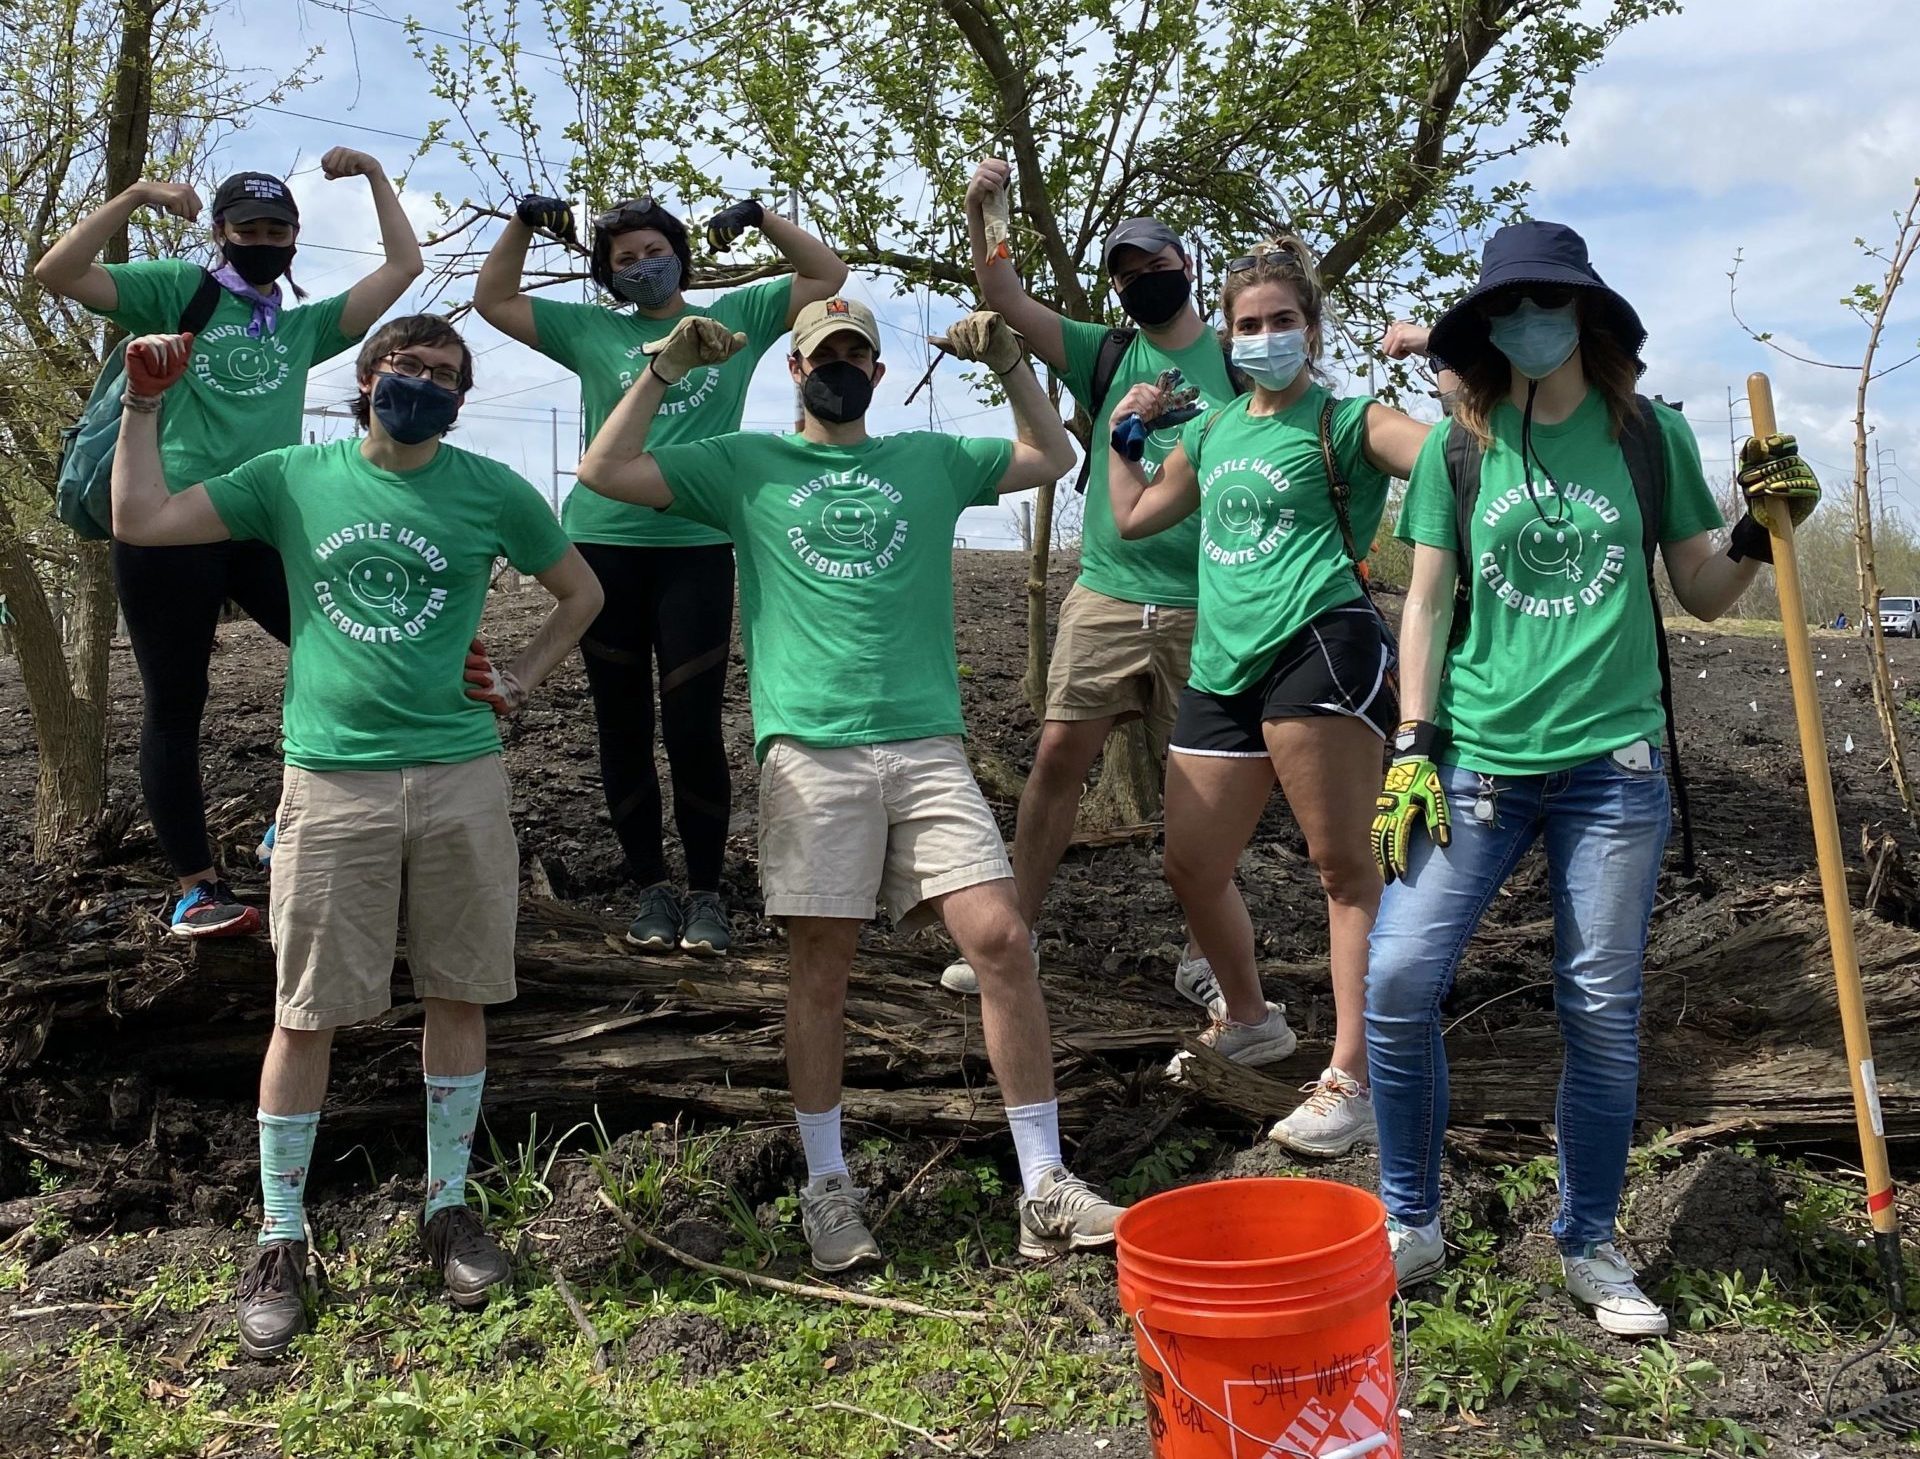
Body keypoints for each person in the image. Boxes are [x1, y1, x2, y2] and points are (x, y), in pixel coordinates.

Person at [574, 297, 1124, 1271]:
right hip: (811, 748)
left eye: (855, 355)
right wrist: (660, 370)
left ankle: (1043, 1183)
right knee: (821, 966)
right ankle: (828, 1187)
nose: (839, 367)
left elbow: (1051, 458)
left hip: (926, 741)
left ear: (876, 372)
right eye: (822, 355)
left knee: (999, 935)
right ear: (794, 371)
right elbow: (604, 471)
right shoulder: (744, 465)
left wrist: (1008, 366)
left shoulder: (928, 459)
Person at [108, 315, 604, 1359]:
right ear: (368, 379)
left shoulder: (491, 489)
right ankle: (282, 1236)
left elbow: (582, 591)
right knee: (307, 1009)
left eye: (445, 375)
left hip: (463, 772)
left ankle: (448, 1207)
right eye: (407, 368)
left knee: (458, 991)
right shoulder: (292, 475)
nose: (423, 384)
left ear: (462, 400)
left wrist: (521, 678)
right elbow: (143, 518)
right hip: (330, 782)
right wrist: (143, 404)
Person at [1362, 222, 1820, 1335]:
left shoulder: (1647, 437)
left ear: (1584, 314)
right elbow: (1424, 600)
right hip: (1474, 764)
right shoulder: (1456, 446)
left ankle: (1591, 1241)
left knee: (1602, 1011)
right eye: (1507, 309)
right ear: (1486, 328)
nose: (1527, 323)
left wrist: (1763, 534)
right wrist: (1413, 741)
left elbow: (1702, 592)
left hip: (1614, 772)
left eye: (1546, 304)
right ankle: (1409, 1219)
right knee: (1396, 980)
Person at [34, 154, 423, 936]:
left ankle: (291, 821)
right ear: (221, 233)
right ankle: (196, 888)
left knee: (343, 652)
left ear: (295, 238)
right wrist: (140, 193)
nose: (263, 239)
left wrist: (378, 175)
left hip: (261, 528)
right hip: (167, 524)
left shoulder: (301, 326)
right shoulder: (181, 291)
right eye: (248, 227)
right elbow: (58, 270)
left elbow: (404, 265)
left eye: (276, 228)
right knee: (176, 705)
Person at [1103, 242, 1428, 1155]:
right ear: (1228, 336)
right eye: (1248, 324)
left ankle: (1355, 1075)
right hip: (1223, 662)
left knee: (1343, 870)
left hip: (1319, 641)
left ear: (1313, 331)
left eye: (1284, 320)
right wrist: (1127, 434)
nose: (1265, 336)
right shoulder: (1209, 431)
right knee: (1191, 865)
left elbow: (1450, 455)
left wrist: (1449, 364)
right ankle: (1250, 1018)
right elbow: (1133, 519)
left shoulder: (1349, 419)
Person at [474, 194, 848, 957]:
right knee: (623, 726)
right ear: (608, 277)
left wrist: (761, 219)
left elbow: (827, 272)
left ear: (679, 252)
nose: (643, 266)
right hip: (601, 548)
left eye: (655, 250)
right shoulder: (592, 331)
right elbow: (493, 300)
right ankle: (650, 884)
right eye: (625, 260)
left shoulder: (733, 322)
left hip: (696, 547)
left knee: (692, 725)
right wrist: (521, 222)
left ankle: (708, 893)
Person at [948, 156, 1240, 1006]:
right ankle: (1016, 933)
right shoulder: (1103, 350)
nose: (1143, 280)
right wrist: (986, 210)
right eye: (1127, 272)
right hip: (1109, 590)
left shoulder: (1241, 355)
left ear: (1187, 266)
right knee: (1055, 757)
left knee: (1206, 780)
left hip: (1212, 601)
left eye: (1156, 265)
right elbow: (1004, 296)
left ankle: (1210, 959)